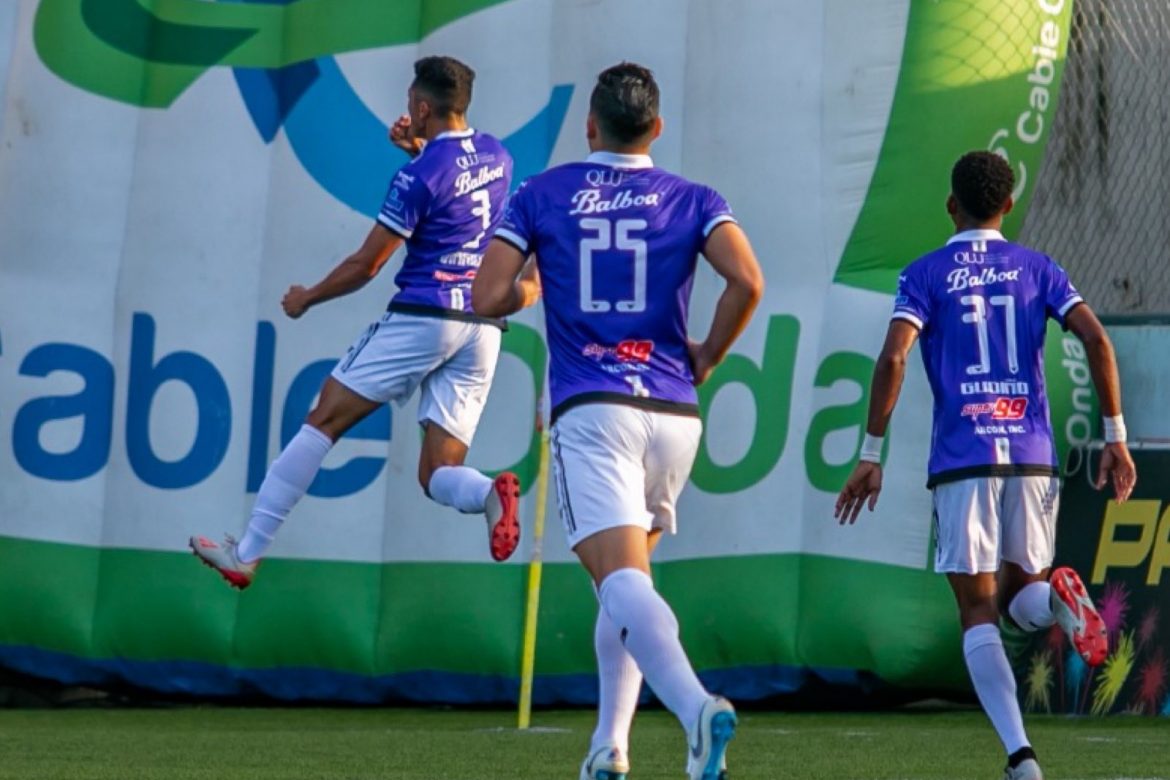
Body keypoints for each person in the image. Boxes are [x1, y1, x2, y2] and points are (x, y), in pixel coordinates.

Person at [473, 62, 763, 780]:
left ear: (590, 125)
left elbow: (485, 296)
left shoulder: (543, 192)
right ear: (656, 129)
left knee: (620, 583)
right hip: (672, 411)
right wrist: (709, 357)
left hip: (594, 406)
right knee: (630, 582)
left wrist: (531, 288)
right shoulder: (695, 198)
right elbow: (747, 282)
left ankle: (697, 709)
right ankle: (610, 744)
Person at [835, 151, 1137, 780]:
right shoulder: (1039, 268)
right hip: (1029, 454)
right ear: (1007, 207)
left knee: (977, 611)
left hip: (964, 455)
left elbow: (893, 359)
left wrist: (871, 452)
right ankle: (1058, 605)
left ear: (952, 206)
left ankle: (1021, 757)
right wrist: (1116, 435)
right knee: (1024, 590)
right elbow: (1096, 339)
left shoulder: (924, 273)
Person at [190, 56, 521, 589]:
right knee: (436, 472)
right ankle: (488, 493)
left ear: (420, 107)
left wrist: (308, 297)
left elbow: (367, 264)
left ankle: (247, 551)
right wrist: (419, 147)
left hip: (427, 313)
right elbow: (459, 195)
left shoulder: (416, 177)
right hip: (482, 326)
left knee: (324, 418)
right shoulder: (497, 155)